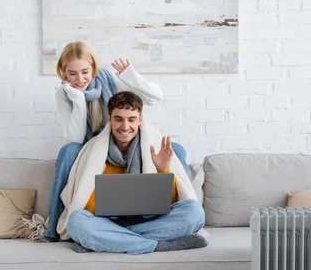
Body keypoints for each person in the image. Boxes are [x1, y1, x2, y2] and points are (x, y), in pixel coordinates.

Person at [44, 41, 189, 241]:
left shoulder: (108, 80)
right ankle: (55, 226)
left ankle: (144, 229)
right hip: (93, 145)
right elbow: (76, 136)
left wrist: (132, 77)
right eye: (72, 74)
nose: (80, 79)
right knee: (69, 150)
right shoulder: (64, 93)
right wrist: (78, 99)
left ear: (93, 67)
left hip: (122, 138)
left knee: (177, 151)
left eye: (85, 72)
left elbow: (155, 98)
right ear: (63, 72)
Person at [56, 91, 207, 255]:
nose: (125, 126)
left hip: (148, 223)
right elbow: (82, 202)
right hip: (105, 223)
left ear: (140, 119)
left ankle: (106, 241)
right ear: (110, 119)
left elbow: (167, 205)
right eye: (119, 119)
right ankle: (156, 245)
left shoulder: (153, 150)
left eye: (132, 119)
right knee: (76, 222)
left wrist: (163, 170)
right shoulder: (94, 152)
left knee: (195, 212)